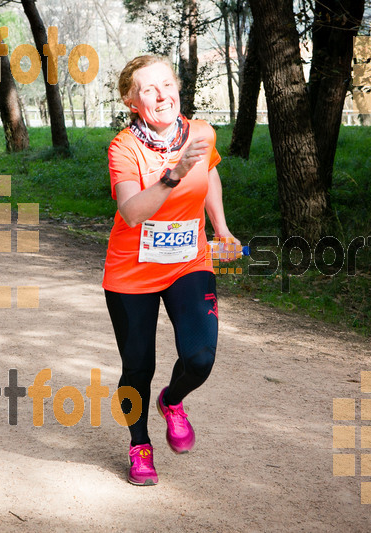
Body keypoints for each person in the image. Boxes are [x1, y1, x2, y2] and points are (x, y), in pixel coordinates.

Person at [103, 55, 240, 486]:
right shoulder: (124, 148)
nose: (162, 95)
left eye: (167, 84)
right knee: (137, 367)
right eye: (149, 89)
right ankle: (139, 444)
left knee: (200, 358)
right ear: (132, 101)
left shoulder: (200, 133)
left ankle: (173, 400)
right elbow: (130, 212)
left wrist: (222, 229)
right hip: (132, 272)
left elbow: (210, 174)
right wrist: (172, 174)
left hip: (189, 262)